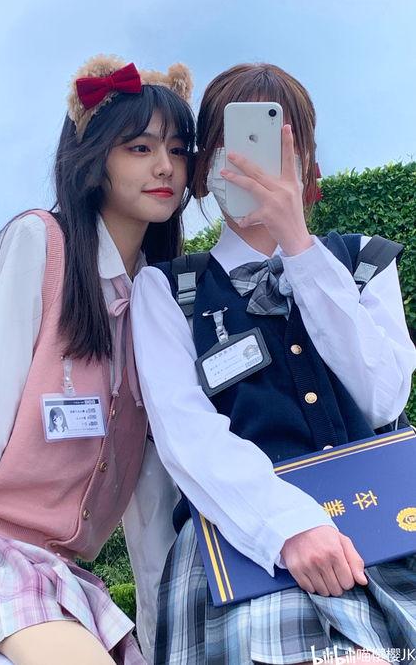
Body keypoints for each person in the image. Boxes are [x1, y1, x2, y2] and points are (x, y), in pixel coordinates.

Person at [131, 63, 416, 665]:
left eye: (274, 144)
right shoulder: (169, 290)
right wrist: (287, 527)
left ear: (307, 164)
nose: (251, 165)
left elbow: (383, 398)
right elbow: (185, 435)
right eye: (233, 145)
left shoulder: (364, 262)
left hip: (387, 530)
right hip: (242, 546)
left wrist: (299, 246)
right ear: (204, 169)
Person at [0, 54, 195, 664]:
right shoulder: (38, 244)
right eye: (140, 148)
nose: (165, 167)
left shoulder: (159, 305)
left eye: (178, 150)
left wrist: (162, 642)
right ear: (95, 158)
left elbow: (150, 502)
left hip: (62, 577)